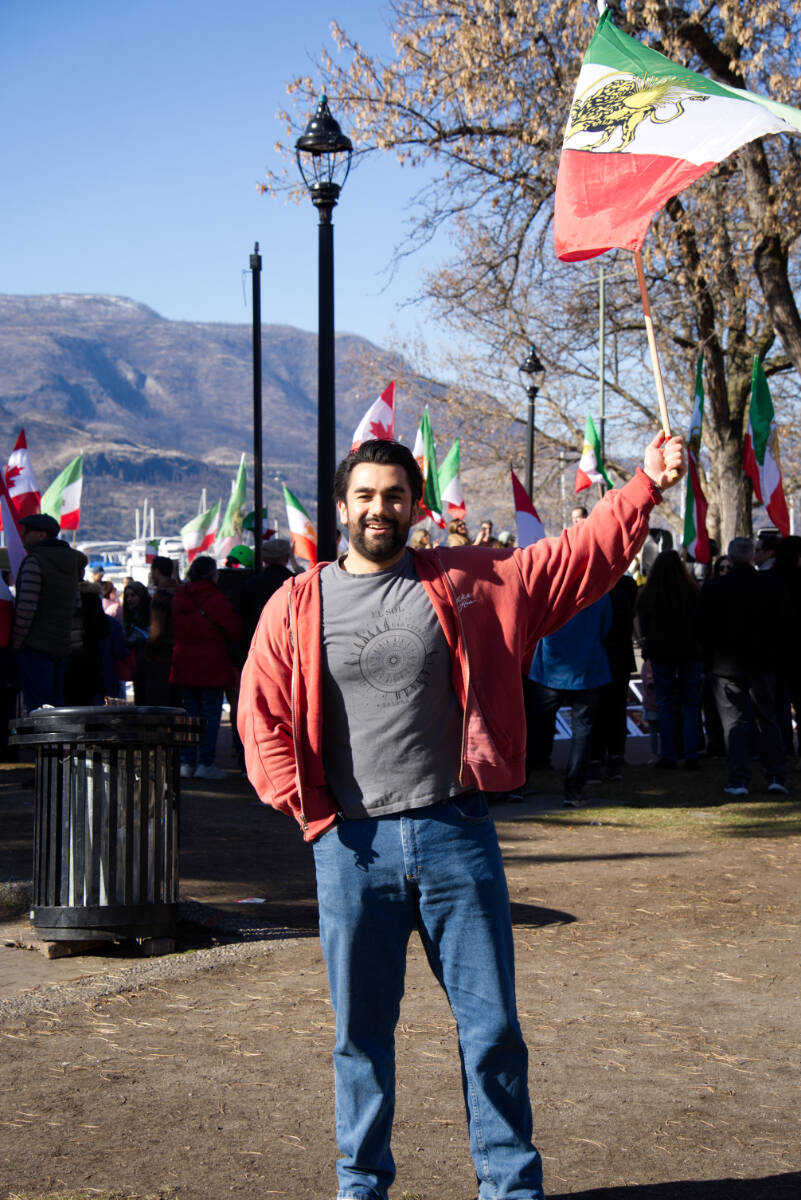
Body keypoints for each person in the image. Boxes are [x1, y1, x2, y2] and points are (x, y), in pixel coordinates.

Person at [239, 433, 685, 1200]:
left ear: (415, 507)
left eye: (394, 496)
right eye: (365, 495)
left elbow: (575, 558)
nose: (379, 508)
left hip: (455, 834)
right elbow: (261, 717)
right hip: (351, 847)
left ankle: (509, 1187)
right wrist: (313, 813)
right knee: (359, 1037)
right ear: (342, 506)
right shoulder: (297, 605)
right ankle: (361, 1185)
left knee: (492, 1030)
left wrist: (644, 484)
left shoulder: (470, 581)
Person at [697, 536, 790, 798]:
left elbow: (701, 626)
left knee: (734, 723)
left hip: (726, 665)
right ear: (751, 556)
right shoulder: (770, 585)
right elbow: (785, 623)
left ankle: (739, 778)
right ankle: (775, 775)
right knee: (767, 719)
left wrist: (709, 657)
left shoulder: (715, 587)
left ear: (730, 556)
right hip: (762, 662)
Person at [528, 594, 612, 807]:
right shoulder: (598, 591)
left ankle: (517, 784)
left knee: (536, 725)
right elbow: (605, 626)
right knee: (582, 730)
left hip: (551, 667)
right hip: (586, 668)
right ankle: (574, 790)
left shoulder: (552, 589)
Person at [171, 555, 242, 779]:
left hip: (184, 662)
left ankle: (186, 762)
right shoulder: (216, 597)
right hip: (212, 664)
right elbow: (234, 630)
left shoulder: (180, 595)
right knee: (210, 716)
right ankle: (206, 762)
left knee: (189, 715)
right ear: (212, 574)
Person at [635, 549, 704, 770]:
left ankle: (668, 754)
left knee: (664, 704)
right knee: (689, 704)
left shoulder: (650, 594)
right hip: (690, 652)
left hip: (661, 653)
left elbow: (643, 625)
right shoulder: (692, 592)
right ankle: (691, 753)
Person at [12, 513, 80, 710]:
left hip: (35, 646)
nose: (22, 535)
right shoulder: (72, 563)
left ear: (41, 535)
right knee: (56, 707)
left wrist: (16, 643)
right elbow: (76, 604)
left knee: (38, 708)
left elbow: (26, 609)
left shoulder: (35, 561)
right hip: (61, 646)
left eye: (27, 531)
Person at [145, 556, 181, 706]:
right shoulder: (181, 592)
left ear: (156, 571)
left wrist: (148, 651)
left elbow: (156, 630)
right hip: (180, 656)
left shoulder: (161, 596)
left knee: (161, 704)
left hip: (162, 657)